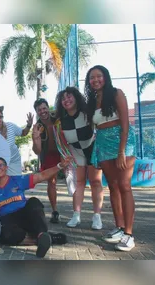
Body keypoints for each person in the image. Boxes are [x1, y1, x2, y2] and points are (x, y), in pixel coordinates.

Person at [85, 65, 136, 251]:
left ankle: (129, 235)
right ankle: (120, 227)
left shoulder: (116, 93)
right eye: (92, 78)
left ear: (106, 77)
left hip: (122, 142)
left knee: (124, 186)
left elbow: (125, 124)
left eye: (99, 76)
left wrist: (122, 151)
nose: (95, 80)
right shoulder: (92, 100)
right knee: (112, 186)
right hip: (103, 143)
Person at [0, 157, 71, 258]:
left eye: (0, 165)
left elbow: (42, 176)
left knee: (34, 202)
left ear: (6, 167)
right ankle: (47, 238)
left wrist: (59, 166)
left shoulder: (17, 180)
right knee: (1, 233)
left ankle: (41, 234)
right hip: (7, 221)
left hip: (25, 214)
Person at [54, 86, 104, 229]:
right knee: (79, 183)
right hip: (76, 153)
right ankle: (76, 215)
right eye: (63, 99)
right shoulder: (60, 121)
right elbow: (61, 141)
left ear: (76, 98)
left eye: (69, 97)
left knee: (95, 182)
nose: (66, 100)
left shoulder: (87, 113)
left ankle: (97, 217)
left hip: (92, 150)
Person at [0, 106, 33, 180]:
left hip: (14, 162)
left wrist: (29, 125)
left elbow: (23, 133)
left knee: (16, 185)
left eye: (0, 117)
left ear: (2, 117)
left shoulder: (10, 126)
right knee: (0, 187)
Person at [32, 98, 61, 223]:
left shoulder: (58, 118)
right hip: (48, 156)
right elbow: (37, 151)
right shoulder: (37, 127)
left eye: (44, 108)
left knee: (76, 181)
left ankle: (77, 212)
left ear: (48, 108)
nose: (43, 111)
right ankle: (55, 211)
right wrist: (36, 139)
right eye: (39, 110)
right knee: (52, 182)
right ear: (37, 112)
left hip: (64, 153)